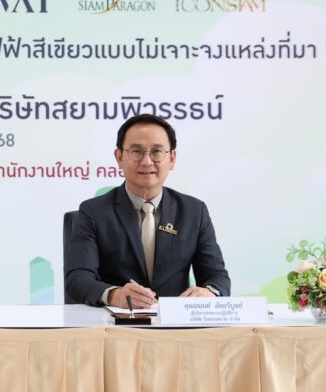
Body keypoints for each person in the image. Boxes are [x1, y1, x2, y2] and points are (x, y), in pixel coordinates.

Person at [65, 114, 230, 307]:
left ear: (172, 158)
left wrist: (209, 292)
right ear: (119, 157)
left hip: (174, 322)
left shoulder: (194, 211)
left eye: (157, 152)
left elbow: (217, 277)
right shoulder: (93, 212)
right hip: (115, 321)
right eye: (136, 152)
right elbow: (78, 279)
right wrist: (114, 295)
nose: (146, 161)